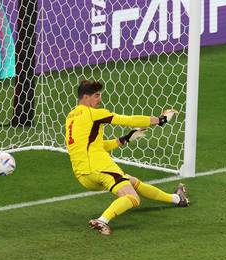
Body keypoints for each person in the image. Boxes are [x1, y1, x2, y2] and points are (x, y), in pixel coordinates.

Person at [66, 80, 189, 236]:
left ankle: (177, 199)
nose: (100, 100)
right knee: (132, 197)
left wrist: (125, 139)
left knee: (131, 181)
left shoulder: (71, 118)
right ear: (85, 97)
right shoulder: (95, 114)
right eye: (96, 96)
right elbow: (129, 120)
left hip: (84, 175)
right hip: (100, 167)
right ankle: (102, 220)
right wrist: (161, 120)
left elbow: (96, 146)